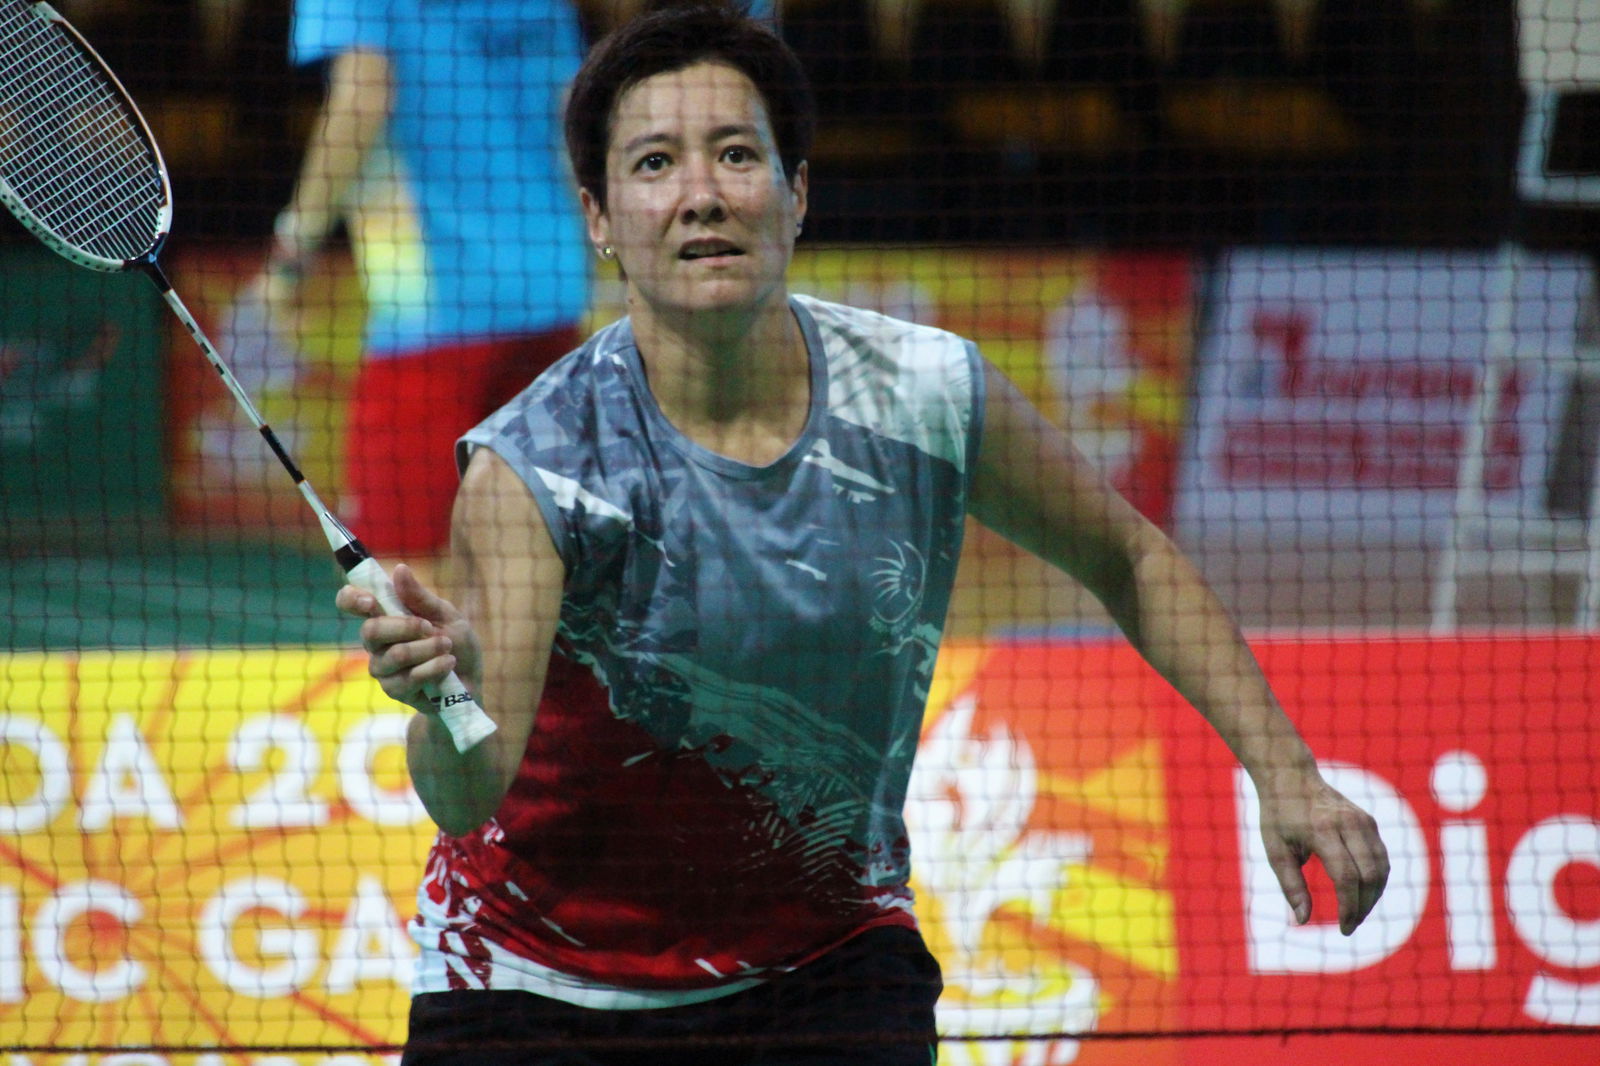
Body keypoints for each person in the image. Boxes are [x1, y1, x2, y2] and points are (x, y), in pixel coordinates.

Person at [336, 6, 1390, 1063]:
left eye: (737, 154)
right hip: (537, 985)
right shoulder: (537, 463)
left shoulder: (925, 396)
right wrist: (448, 695)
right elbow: (467, 791)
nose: (701, 192)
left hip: (824, 965)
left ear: (796, 193)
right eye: (655, 163)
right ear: (600, 216)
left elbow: (1128, 555)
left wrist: (1282, 767)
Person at [254, 0, 592, 570]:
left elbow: (364, 93)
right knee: (538, 568)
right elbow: (574, 114)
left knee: (400, 586)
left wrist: (293, 248)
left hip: (430, 318)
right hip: (552, 294)